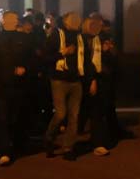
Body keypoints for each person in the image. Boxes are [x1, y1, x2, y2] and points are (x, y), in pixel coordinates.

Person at [0, 11, 32, 166]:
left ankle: (15, 145)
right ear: (4, 21)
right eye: (10, 19)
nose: (14, 21)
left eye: (15, 19)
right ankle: (3, 151)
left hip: (18, 85)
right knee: (2, 118)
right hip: (0, 85)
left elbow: (32, 59)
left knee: (15, 117)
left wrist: (25, 68)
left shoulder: (24, 39)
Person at [43, 12, 85, 159]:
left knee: (74, 116)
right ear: (65, 21)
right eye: (72, 19)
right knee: (61, 114)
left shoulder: (80, 37)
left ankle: (68, 147)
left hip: (76, 80)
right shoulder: (57, 35)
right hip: (59, 80)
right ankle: (49, 138)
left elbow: (85, 58)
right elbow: (45, 57)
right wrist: (63, 53)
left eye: (77, 19)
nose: (76, 21)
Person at [78, 15, 111, 159]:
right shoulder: (80, 39)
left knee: (96, 112)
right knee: (79, 111)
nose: (96, 28)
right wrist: (91, 80)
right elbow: (85, 62)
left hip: (96, 79)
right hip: (80, 79)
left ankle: (98, 143)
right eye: (93, 25)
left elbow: (104, 61)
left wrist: (107, 50)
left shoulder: (100, 39)